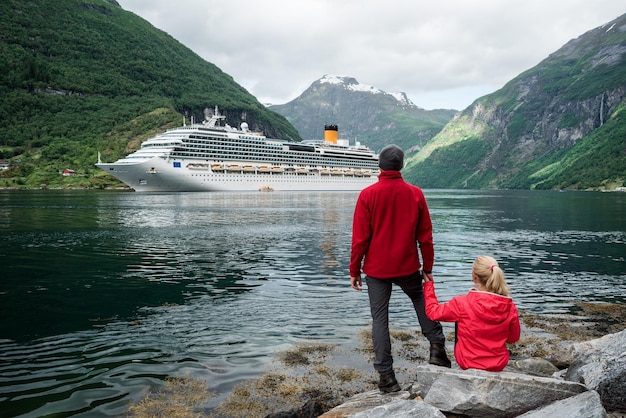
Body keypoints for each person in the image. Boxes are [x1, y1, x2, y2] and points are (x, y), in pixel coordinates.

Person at [349, 144, 451, 394]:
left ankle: (387, 378)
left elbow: (360, 239)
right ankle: (437, 349)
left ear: (379, 166)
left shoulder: (367, 195)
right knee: (420, 301)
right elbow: (425, 237)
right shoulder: (415, 194)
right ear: (402, 166)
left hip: (376, 270)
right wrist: (428, 267)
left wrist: (354, 270)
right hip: (407, 266)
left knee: (379, 320)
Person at [423, 255, 521, 372]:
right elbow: (513, 338)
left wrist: (428, 285)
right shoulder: (510, 306)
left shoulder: (462, 303)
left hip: (468, 362)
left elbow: (432, 312)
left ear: (474, 277)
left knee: (459, 320)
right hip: (498, 364)